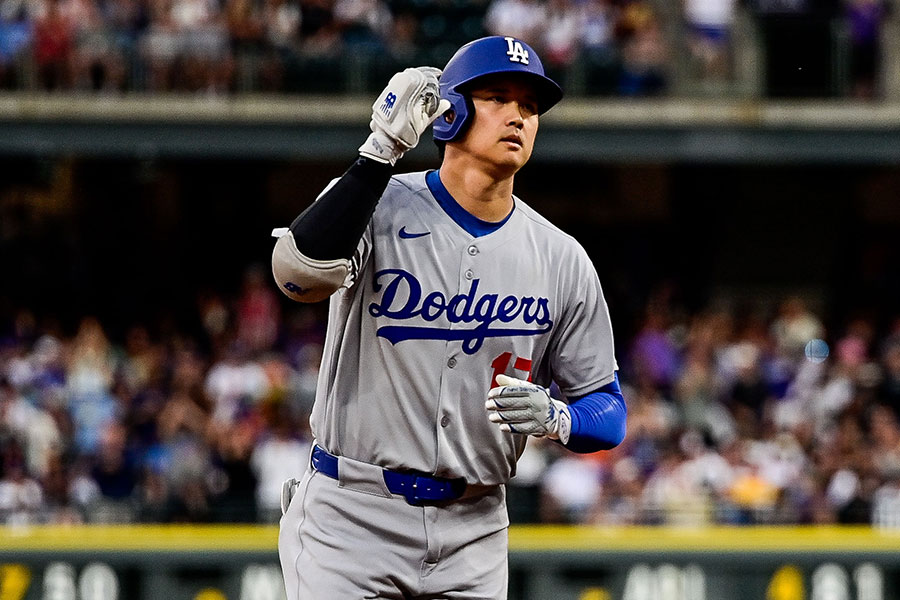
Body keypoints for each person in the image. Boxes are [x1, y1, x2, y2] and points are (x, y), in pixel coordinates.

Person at [271, 35, 627, 599]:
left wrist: (557, 416)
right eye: (497, 97)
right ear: (449, 111)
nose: (518, 115)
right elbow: (298, 276)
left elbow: (608, 412)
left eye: (530, 106)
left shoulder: (560, 256)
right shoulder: (375, 203)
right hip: (353, 515)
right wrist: (377, 153)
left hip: (475, 526)